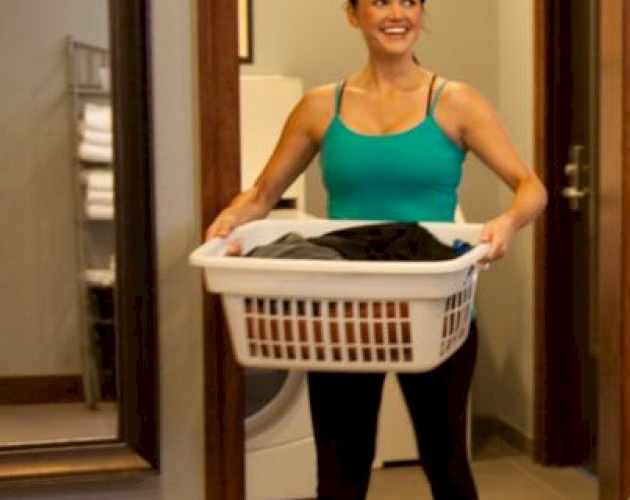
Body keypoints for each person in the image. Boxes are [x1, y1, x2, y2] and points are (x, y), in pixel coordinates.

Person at [203, 0, 549, 497]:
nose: (397, 14)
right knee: (341, 475)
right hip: (346, 314)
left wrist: (507, 223)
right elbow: (261, 194)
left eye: (410, 2)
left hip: (436, 310)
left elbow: (529, 185)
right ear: (352, 13)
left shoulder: (455, 102)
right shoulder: (321, 107)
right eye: (381, 1)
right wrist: (229, 223)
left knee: (447, 463)